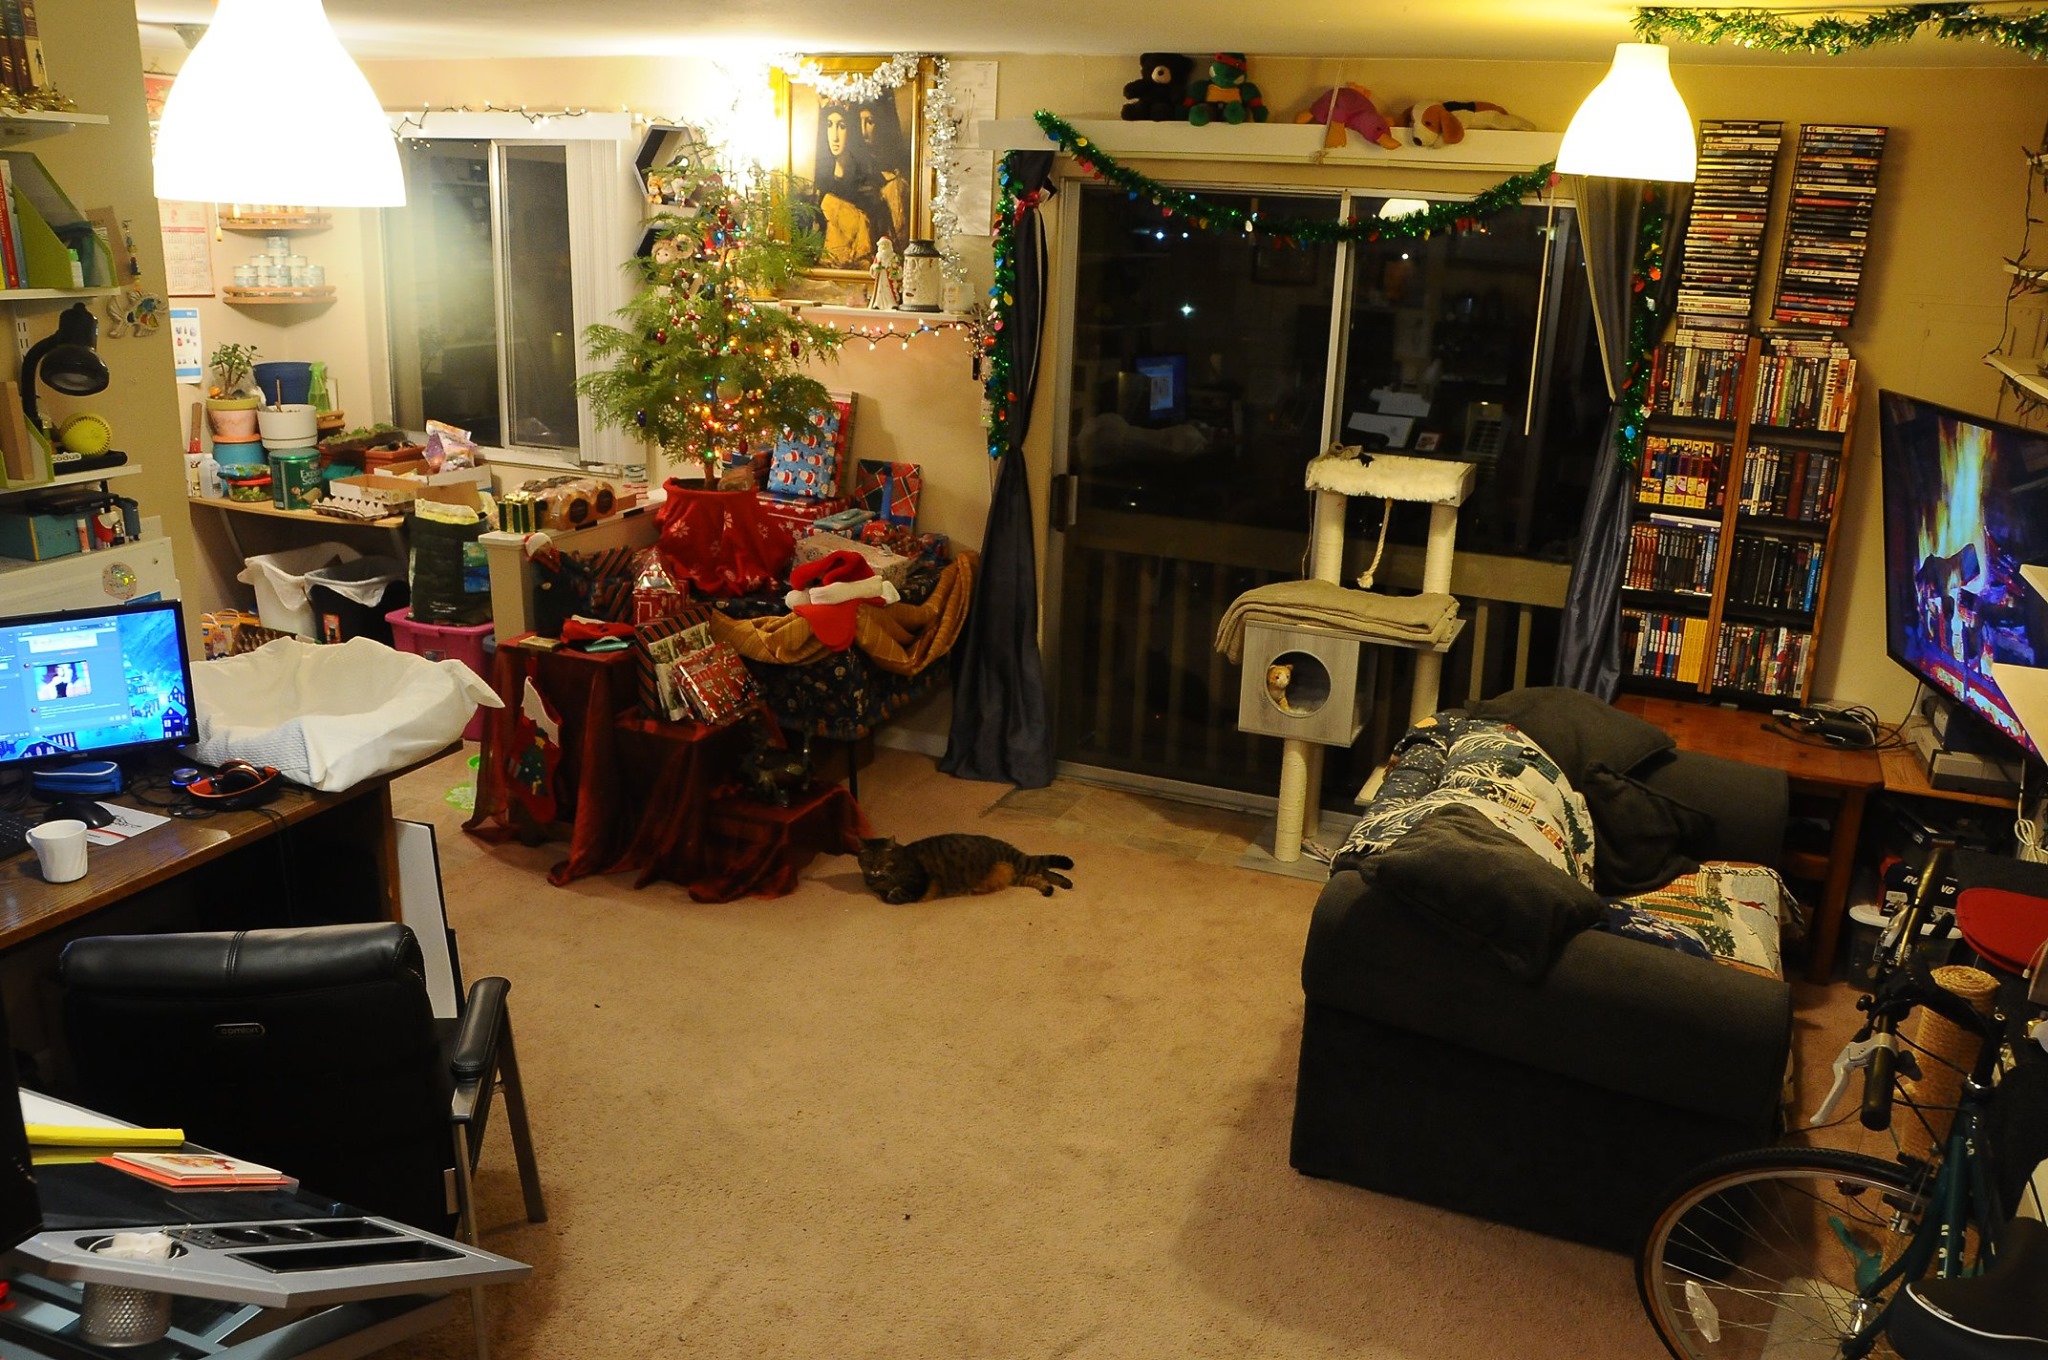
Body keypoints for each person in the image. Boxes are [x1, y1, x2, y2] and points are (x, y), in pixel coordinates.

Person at [813, 103, 888, 272]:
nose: (835, 136)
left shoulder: (868, 187)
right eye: (829, 126)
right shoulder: (820, 186)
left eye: (842, 126)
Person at [855, 97, 913, 248]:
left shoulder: (896, 182)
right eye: (859, 121)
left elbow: (900, 232)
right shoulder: (855, 167)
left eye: (869, 122)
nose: (863, 131)